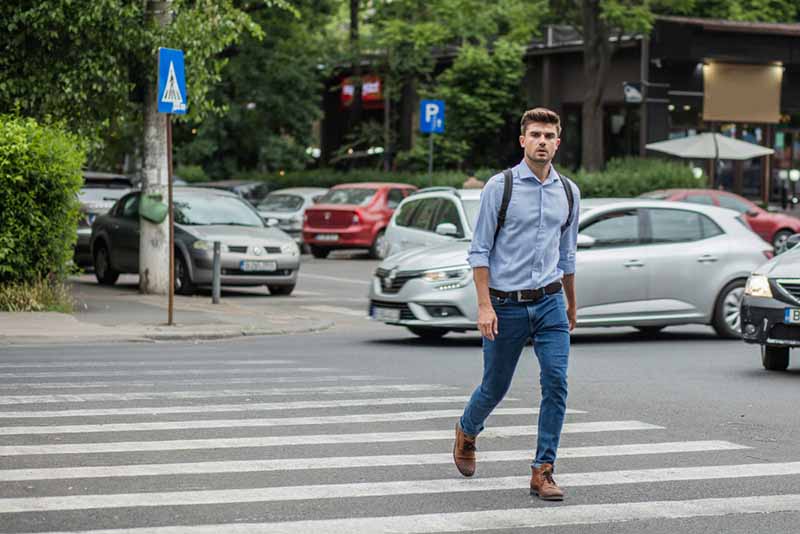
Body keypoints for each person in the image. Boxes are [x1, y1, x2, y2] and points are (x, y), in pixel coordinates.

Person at [452, 107, 580, 501]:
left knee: (556, 382)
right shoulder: (500, 186)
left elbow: (567, 255)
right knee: (495, 386)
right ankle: (467, 430)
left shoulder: (569, 192)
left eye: (549, 135)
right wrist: (484, 305)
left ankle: (543, 471)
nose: (542, 141)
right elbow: (480, 251)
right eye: (535, 134)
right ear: (522, 140)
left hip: (550, 302)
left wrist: (572, 304)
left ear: (558, 143)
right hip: (505, 305)